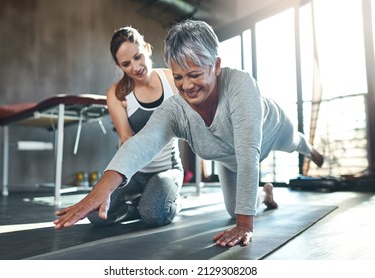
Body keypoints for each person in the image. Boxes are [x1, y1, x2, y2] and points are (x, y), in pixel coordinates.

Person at [54, 20, 324, 247]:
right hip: (228, 158)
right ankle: (266, 194)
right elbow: (143, 141)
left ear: (216, 65)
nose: (187, 86)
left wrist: (245, 225)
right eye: (179, 77)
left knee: (295, 142)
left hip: (270, 131)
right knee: (235, 208)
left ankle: (310, 149)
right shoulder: (175, 109)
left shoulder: (240, 84)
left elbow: (247, 153)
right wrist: (101, 189)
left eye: (194, 74)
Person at [86, 26, 183, 227]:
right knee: (95, 212)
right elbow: (126, 140)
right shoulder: (117, 94)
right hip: (134, 173)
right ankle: (139, 207)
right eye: (126, 64)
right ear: (119, 66)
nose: (135, 67)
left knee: (154, 214)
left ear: (147, 48)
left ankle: (162, 201)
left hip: (166, 169)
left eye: (138, 57)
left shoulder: (172, 80)